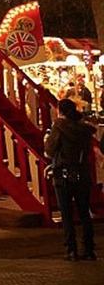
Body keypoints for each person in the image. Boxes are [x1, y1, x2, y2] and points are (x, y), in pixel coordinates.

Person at [45, 97, 97, 260]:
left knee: (67, 213)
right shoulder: (84, 130)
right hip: (82, 172)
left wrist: (47, 141)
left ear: (59, 111)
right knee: (84, 212)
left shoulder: (59, 127)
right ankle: (89, 249)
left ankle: (71, 249)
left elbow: (50, 150)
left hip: (64, 173)